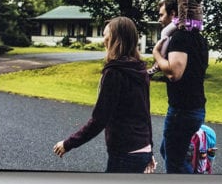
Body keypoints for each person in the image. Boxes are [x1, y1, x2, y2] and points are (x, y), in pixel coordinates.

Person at [52, 17, 153, 173]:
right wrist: (149, 149)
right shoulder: (140, 69)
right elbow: (145, 114)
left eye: (106, 36)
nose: (103, 41)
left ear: (115, 39)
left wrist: (68, 143)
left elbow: (99, 120)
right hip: (141, 150)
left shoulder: (114, 72)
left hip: (125, 153)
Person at [151, 0, 209, 173]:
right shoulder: (198, 38)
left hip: (182, 111)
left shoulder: (181, 37)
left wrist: (157, 54)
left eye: (162, 14)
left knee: (174, 163)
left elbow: (175, 73)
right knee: (169, 152)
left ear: (173, 14)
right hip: (193, 108)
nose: (159, 18)